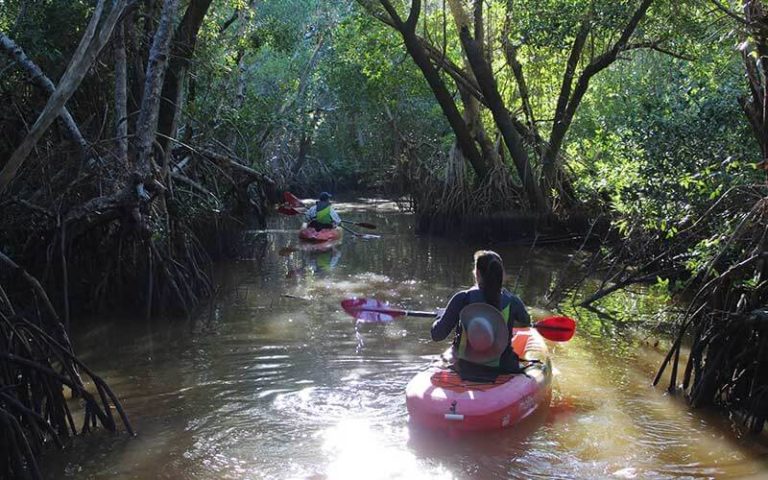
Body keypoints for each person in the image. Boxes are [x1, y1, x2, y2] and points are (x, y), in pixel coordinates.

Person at [431, 250, 531, 378]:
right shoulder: (512, 301)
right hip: (503, 368)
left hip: (464, 367)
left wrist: (441, 316)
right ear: (501, 274)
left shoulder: (462, 298)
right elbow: (526, 323)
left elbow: (437, 335)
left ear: (477, 273)